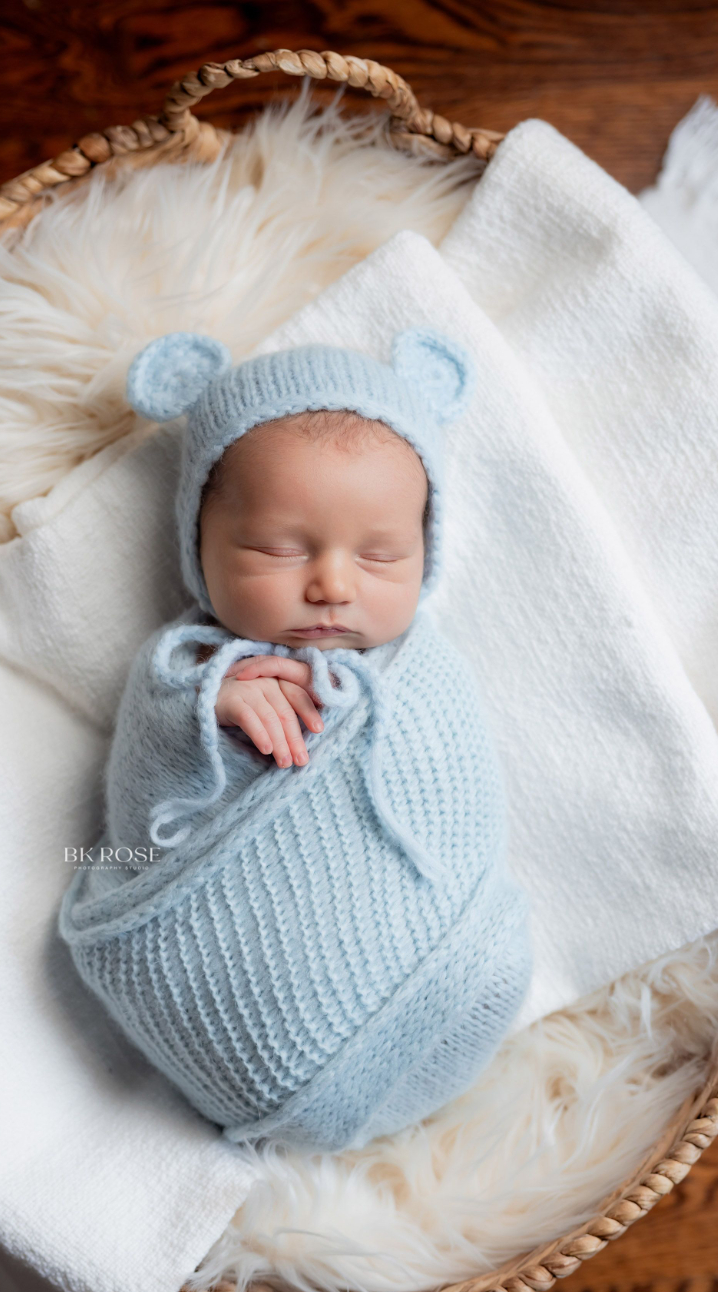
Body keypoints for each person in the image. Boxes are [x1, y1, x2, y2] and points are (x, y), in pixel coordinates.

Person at [59, 329, 531, 1153]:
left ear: (427, 554)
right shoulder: (187, 671)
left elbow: (461, 807)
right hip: (240, 1015)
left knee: (480, 950)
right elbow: (140, 832)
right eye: (278, 548)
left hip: (454, 972)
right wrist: (205, 716)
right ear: (199, 549)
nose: (333, 583)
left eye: (382, 555)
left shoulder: (423, 674)